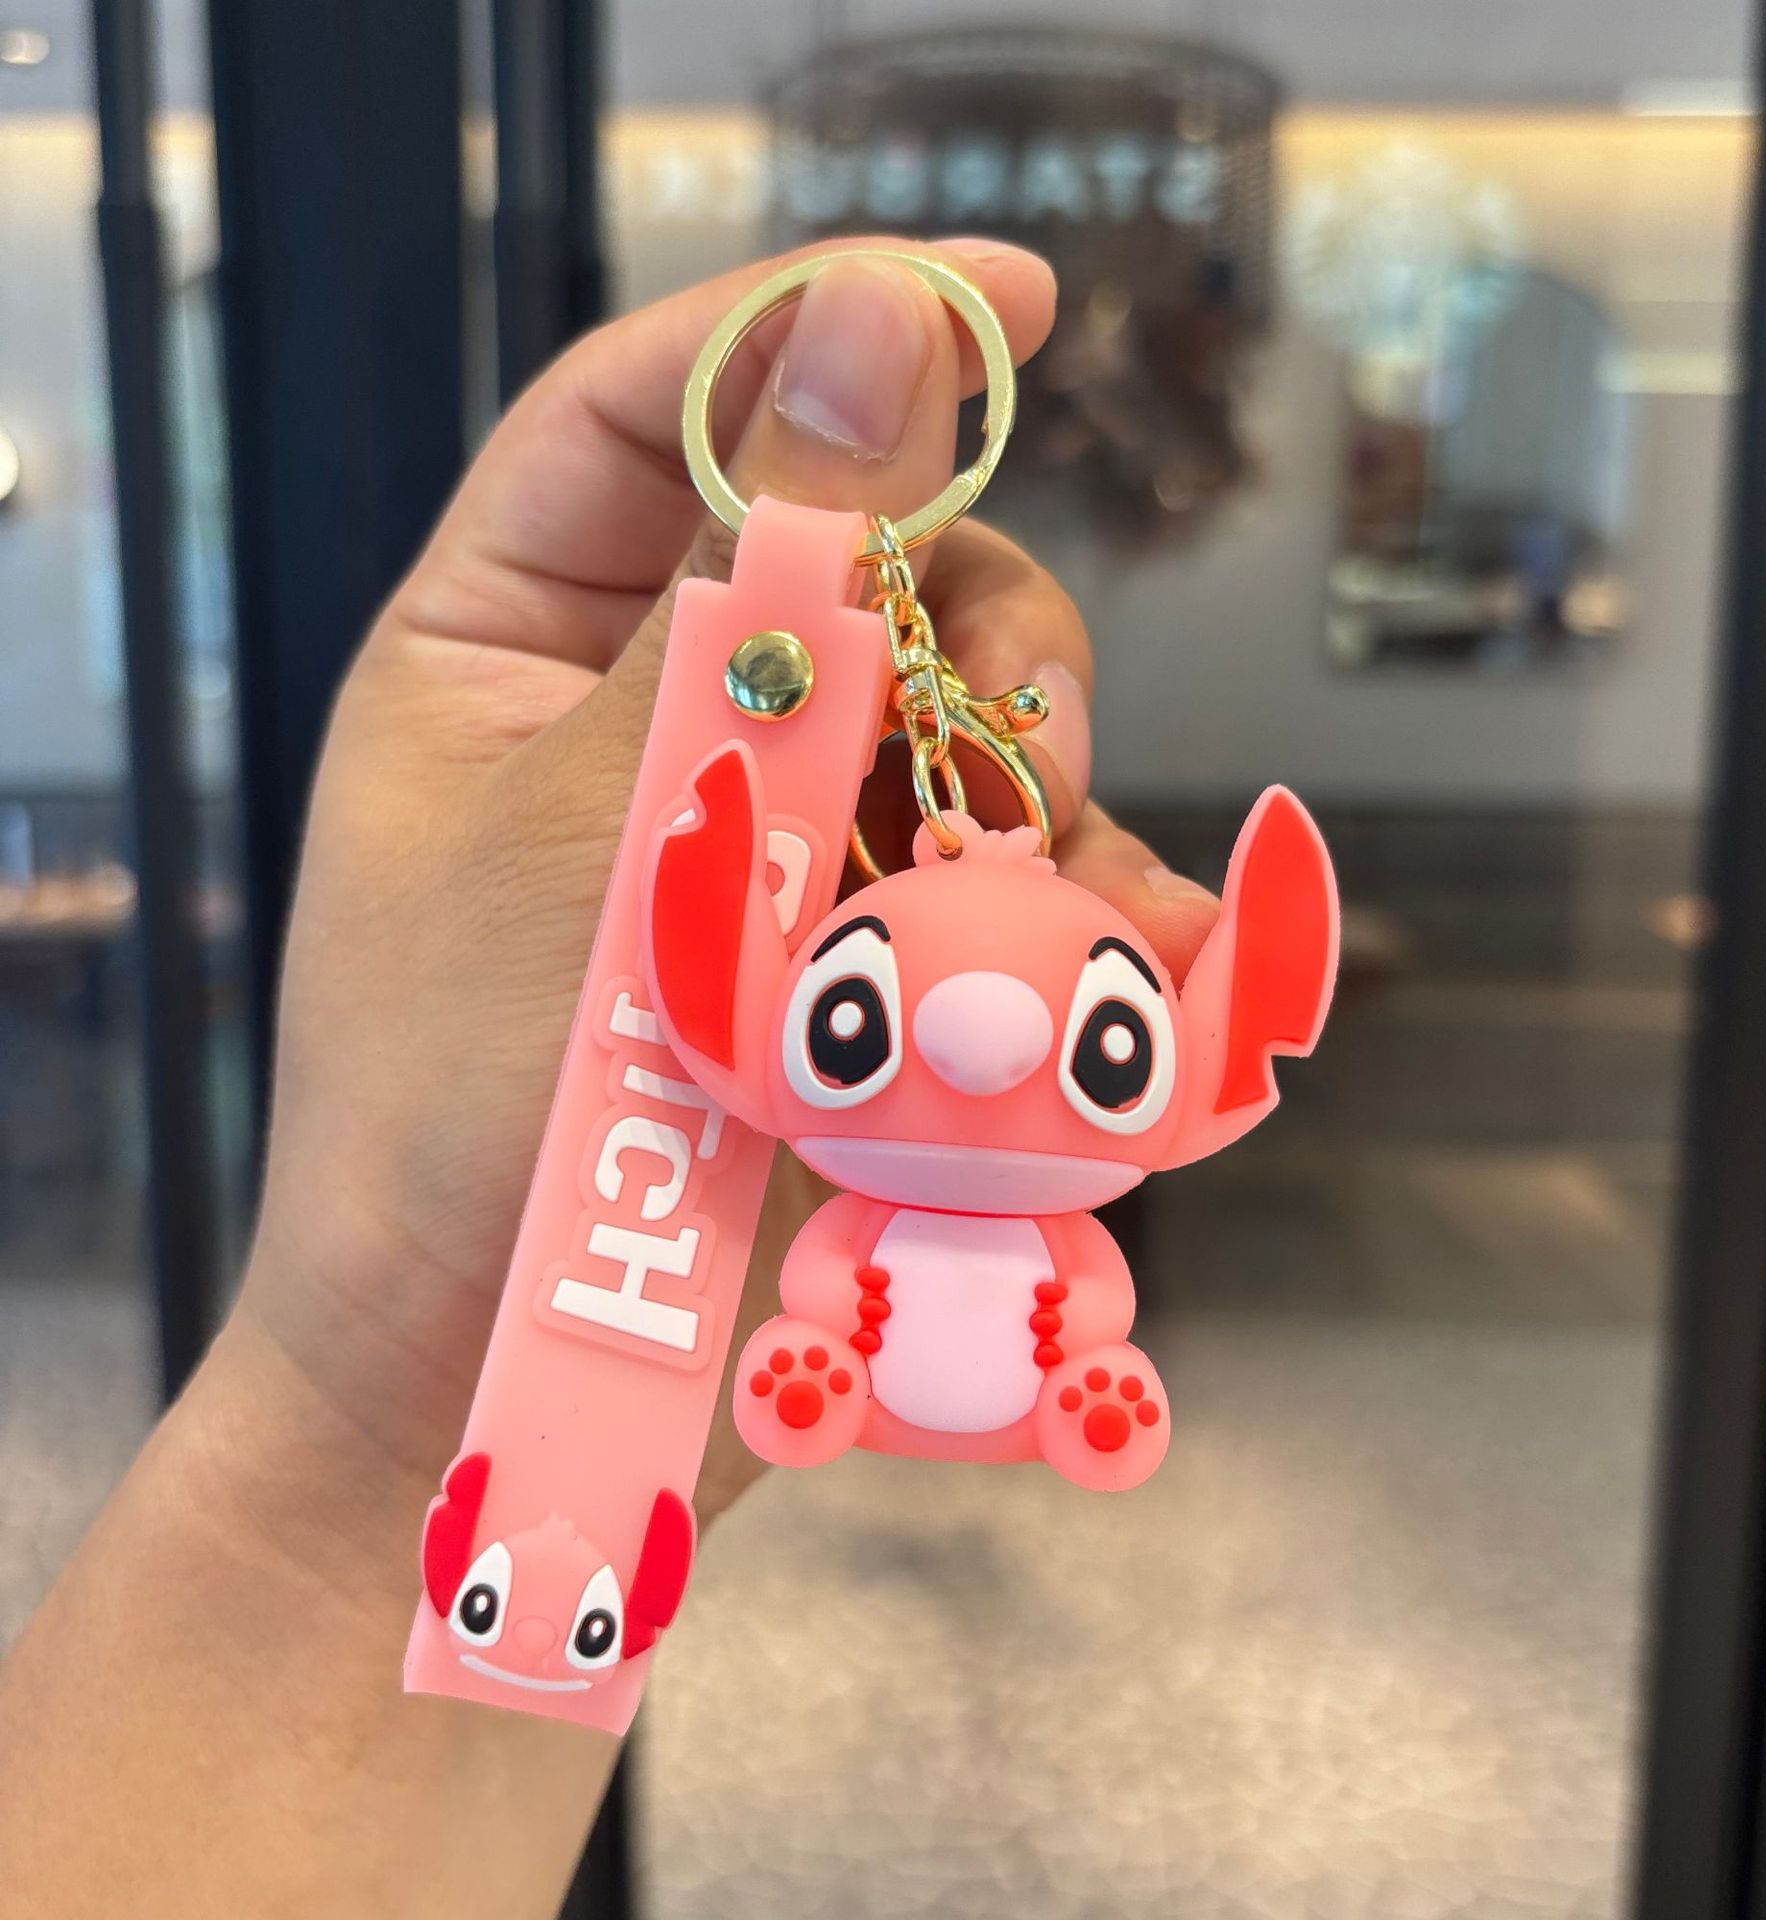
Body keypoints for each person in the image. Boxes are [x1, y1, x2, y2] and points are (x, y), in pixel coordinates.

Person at [0, 239, 1225, 1918]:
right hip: (772, 1310)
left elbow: (1075, 1267)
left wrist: (381, 1435)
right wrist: (389, 1415)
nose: (980, 1053)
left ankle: (1025, 1381)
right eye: (854, 1026)